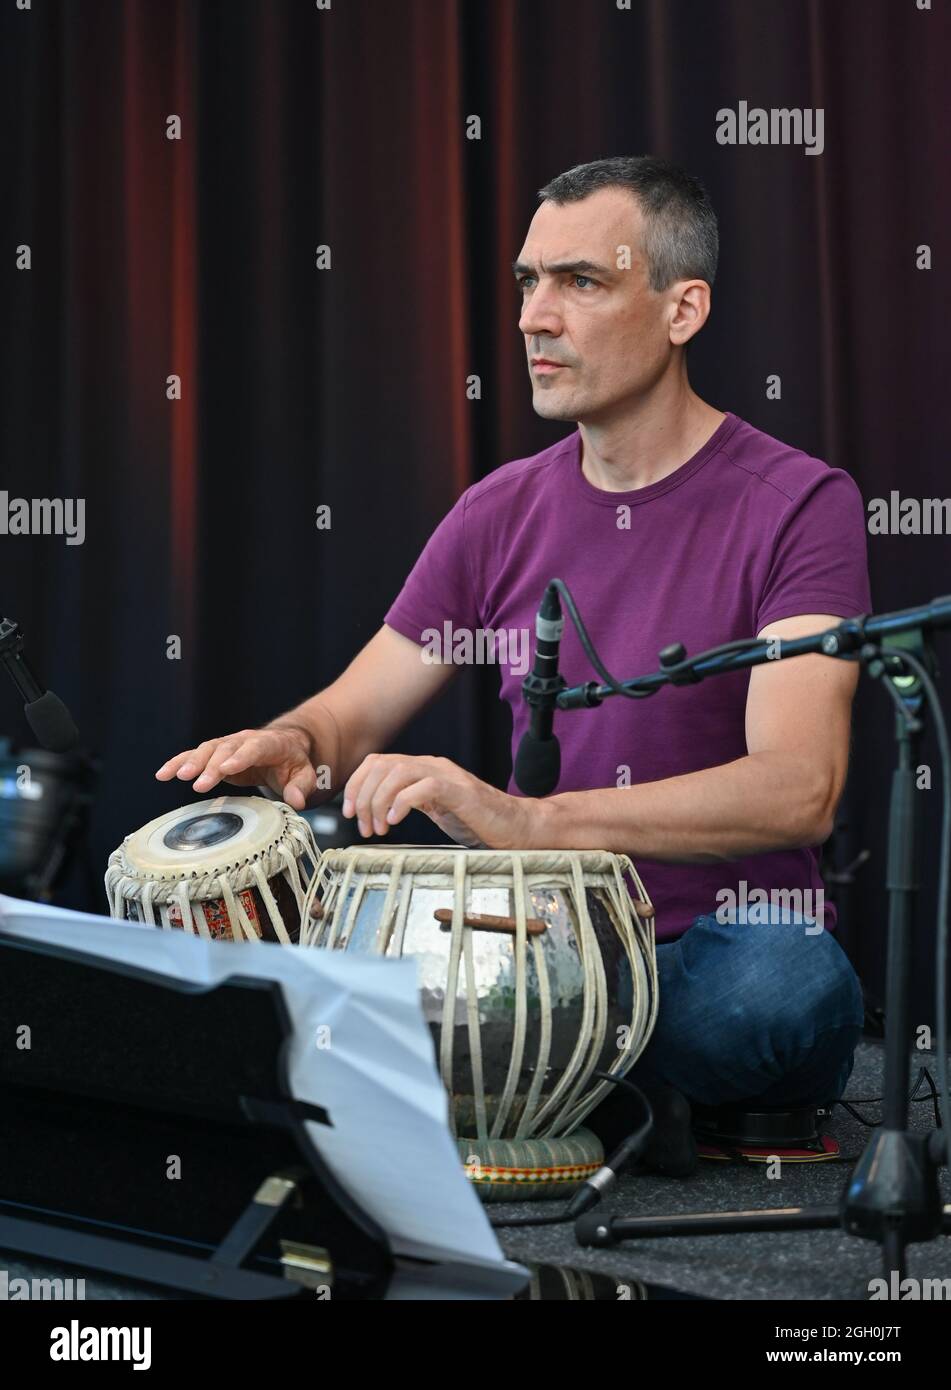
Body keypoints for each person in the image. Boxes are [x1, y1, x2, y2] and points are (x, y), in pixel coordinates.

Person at [156, 157, 870, 1165]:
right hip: (533, 963)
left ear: (683, 309)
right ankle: (585, 1082)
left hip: (714, 957)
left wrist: (527, 824)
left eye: (581, 281)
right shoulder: (498, 512)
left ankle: (521, 1080)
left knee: (786, 987)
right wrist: (290, 740)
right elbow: (348, 715)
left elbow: (799, 789)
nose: (536, 316)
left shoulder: (799, 502)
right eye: (528, 282)